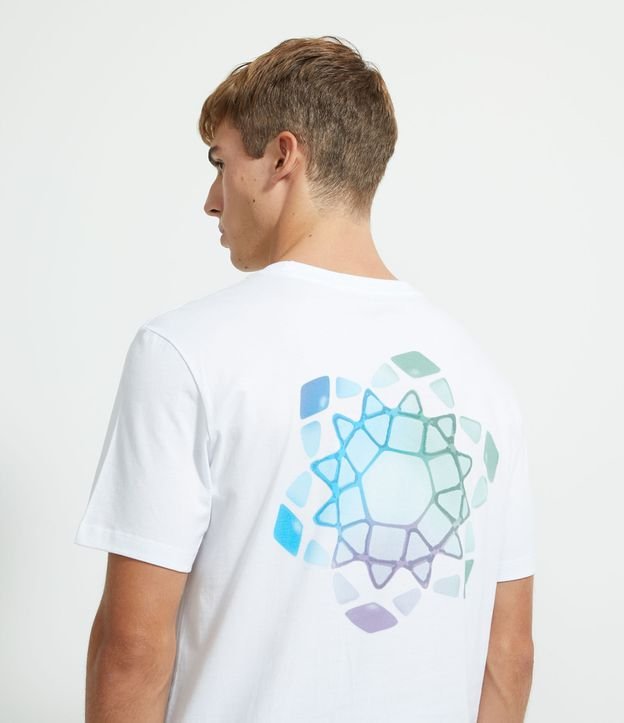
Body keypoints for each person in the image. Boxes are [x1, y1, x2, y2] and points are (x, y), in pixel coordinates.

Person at [74, 35, 536, 723]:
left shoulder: (184, 352)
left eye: (221, 162)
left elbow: (133, 651)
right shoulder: (484, 381)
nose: (211, 199)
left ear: (282, 157)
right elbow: (509, 656)